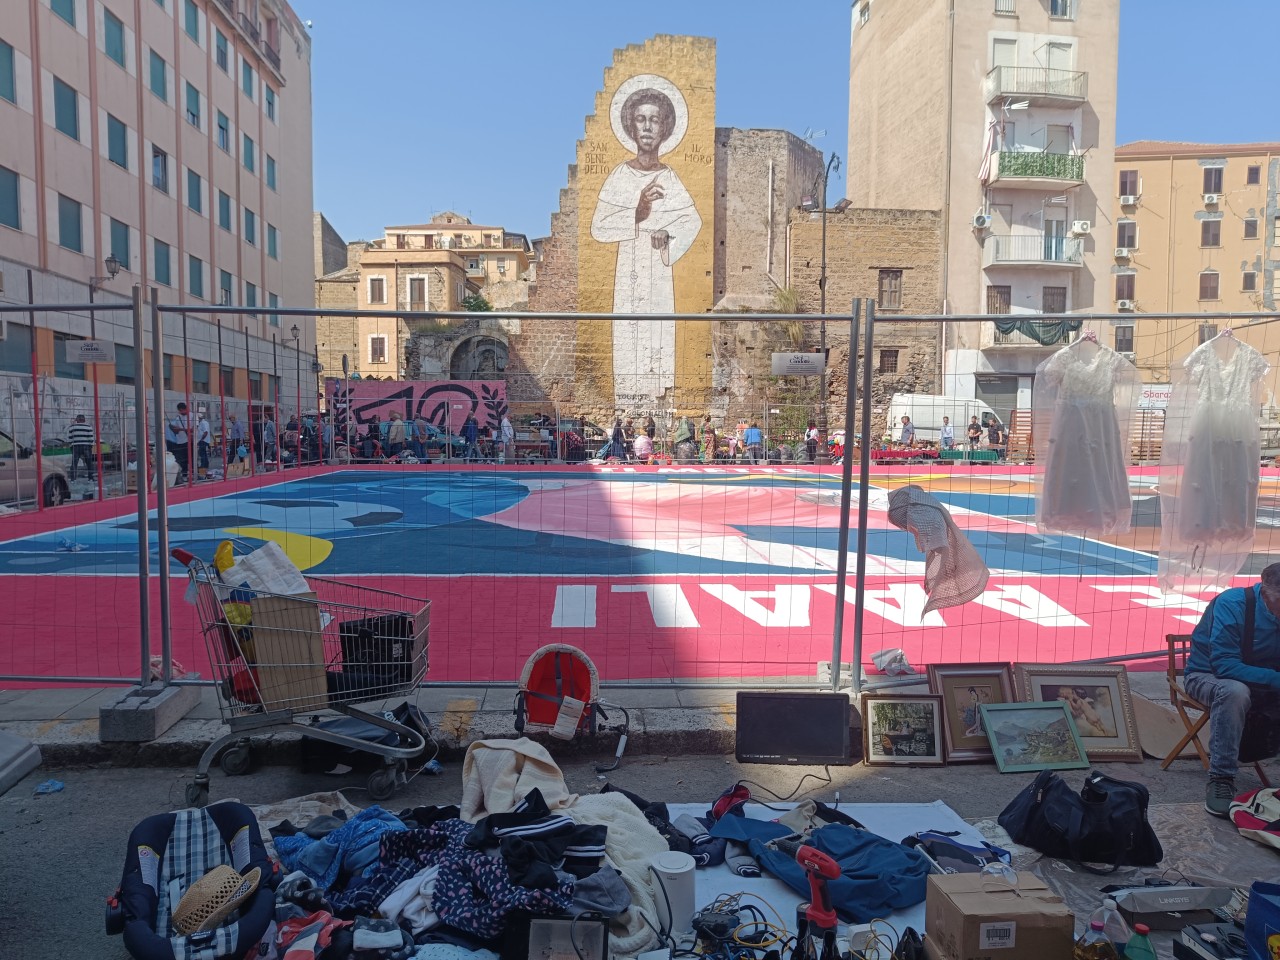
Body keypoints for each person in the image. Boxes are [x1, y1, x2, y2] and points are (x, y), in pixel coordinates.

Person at [1185, 563, 1280, 817]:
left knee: (1243, 689)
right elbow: (1224, 666)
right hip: (1207, 676)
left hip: (1262, 680)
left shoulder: (1273, 603)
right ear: (1266, 593)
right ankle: (1221, 779)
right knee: (1234, 692)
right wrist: (1275, 679)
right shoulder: (1232, 604)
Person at [165, 402, 191, 482]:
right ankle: (183, 475)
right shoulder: (177, 418)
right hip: (178, 442)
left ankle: (190, 473)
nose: (181, 412)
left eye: (182, 410)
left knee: (189, 458)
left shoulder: (192, 416)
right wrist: (174, 429)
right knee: (181, 459)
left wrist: (179, 429)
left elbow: (193, 429)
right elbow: (176, 432)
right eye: (180, 410)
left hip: (188, 441)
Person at [68, 414, 95, 482]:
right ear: (84, 420)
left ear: (77, 420)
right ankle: (90, 478)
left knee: (74, 463)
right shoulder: (89, 427)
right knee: (89, 462)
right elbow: (91, 438)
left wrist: (71, 446)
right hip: (86, 446)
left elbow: (69, 438)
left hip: (76, 446)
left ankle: (73, 479)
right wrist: (90, 446)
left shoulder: (72, 427)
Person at [195, 413, 212, 477]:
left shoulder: (203, 423)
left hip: (203, 440)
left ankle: (203, 465)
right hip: (203, 440)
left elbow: (206, 432)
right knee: (203, 453)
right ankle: (205, 465)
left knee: (202, 454)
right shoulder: (204, 423)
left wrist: (201, 439)